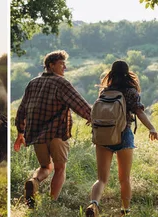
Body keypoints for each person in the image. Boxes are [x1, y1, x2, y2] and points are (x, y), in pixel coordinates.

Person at [14, 50, 92, 208]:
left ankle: (33, 181)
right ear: (51, 65)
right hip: (57, 134)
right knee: (60, 168)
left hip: (37, 136)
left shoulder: (33, 83)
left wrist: (20, 132)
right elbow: (78, 103)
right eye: (62, 64)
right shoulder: (62, 83)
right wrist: (92, 117)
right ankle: (51, 202)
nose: (65, 67)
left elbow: (22, 110)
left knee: (45, 167)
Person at [85, 61, 158, 216]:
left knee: (101, 179)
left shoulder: (105, 91)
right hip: (123, 135)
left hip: (103, 136)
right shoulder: (131, 92)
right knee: (124, 179)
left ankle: (93, 204)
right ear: (127, 73)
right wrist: (152, 128)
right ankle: (125, 211)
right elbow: (139, 112)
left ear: (111, 73)